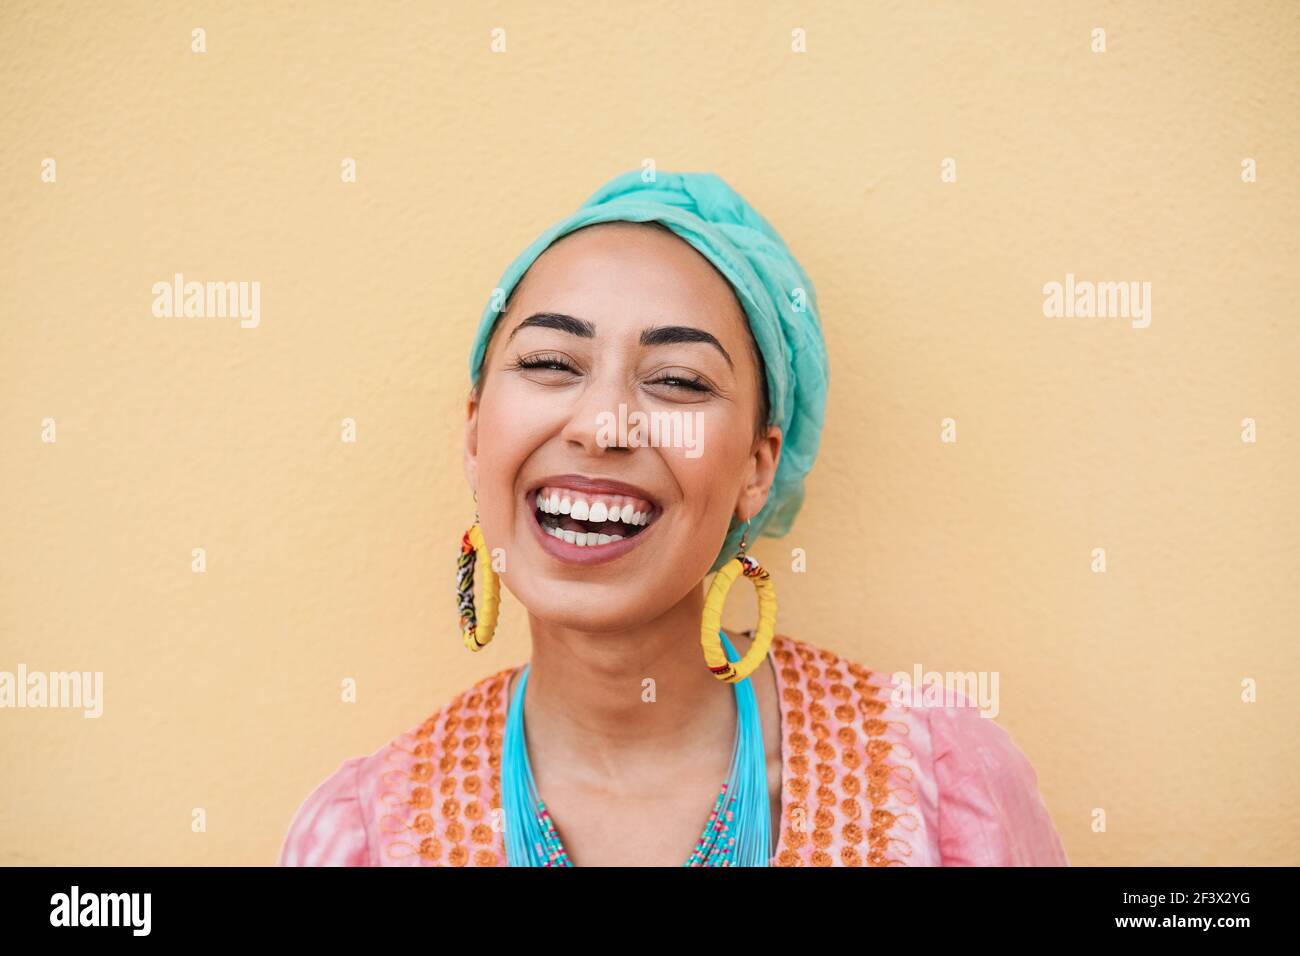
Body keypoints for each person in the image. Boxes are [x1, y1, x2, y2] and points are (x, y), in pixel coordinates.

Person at [278, 170, 1068, 866]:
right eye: (552, 364)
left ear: (757, 468)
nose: (602, 425)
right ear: (477, 431)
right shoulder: (363, 837)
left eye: (679, 381)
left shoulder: (938, 788)